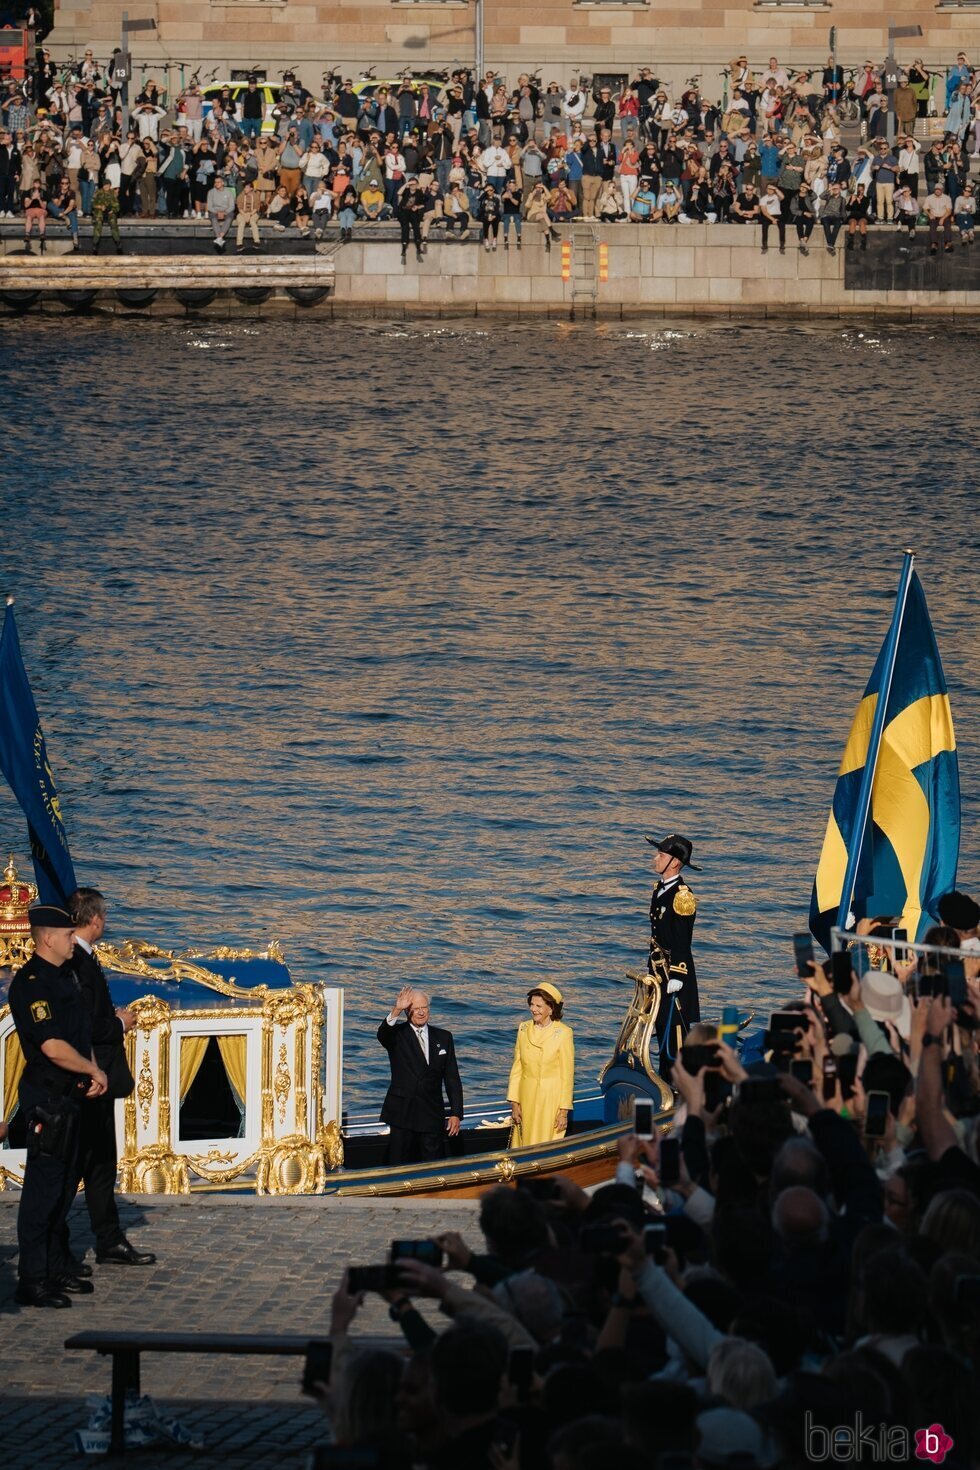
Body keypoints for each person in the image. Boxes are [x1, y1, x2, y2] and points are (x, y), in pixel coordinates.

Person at [9, 905, 108, 1308]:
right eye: (68, 935)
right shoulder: (32, 984)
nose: (74, 940)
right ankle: (32, 1278)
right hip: (48, 1098)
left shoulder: (65, 975)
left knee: (65, 1186)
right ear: (48, 938)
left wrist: (92, 1070)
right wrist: (90, 1069)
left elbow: (79, 1033)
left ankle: (54, 1264)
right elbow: (51, 1046)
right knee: (43, 1190)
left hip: (72, 1094)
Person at [66, 889, 154, 1267]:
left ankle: (108, 1237)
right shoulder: (80, 964)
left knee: (100, 1162)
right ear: (96, 920)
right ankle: (74, 1241)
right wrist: (120, 1022)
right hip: (92, 1078)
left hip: (91, 1077)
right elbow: (85, 1024)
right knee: (84, 1164)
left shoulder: (78, 960)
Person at [378, 986, 463, 1165]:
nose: (421, 1013)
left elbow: (452, 1077)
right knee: (399, 1165)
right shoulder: (397, 1034)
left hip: (431, 1113)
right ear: (408, 1011)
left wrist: (456, 1112)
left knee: (432, 1167)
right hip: (403, 1113)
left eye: (424, 1008)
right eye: (416, 1009)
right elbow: (382, 1035)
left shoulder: (444, 1037)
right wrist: (396, 1009)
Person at [646, 834, 701, 1075]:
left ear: (675, 862)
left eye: (661, 855)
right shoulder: (660, 889)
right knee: (661, 1030)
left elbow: (682, 938)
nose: (655, 858)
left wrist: (678, 973)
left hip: (674, 976)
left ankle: (678, 1088)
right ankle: (664, 1082)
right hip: (659, 974)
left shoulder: (682, 896)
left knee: (675, 1035)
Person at [507, 984, 574, 1148]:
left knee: (544, 1142)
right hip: (526, 1095)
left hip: (549, 1099)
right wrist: (515, 1103)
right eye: (531, 1004)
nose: (533, 1009)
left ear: (551, 1009)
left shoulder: (564, 1033)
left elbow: (567, 1075)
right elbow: (517, 1068)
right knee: (522, 1141)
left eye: (538, 1006)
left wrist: (563, 1111)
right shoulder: (523, 1028)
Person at [207, 172, 236, 250]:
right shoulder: (211, 192)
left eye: (218, 182)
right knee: (212, 216)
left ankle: (219, 238)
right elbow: (209, 207)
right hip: (215, 211)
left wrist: (224, 212)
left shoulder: (228, 192)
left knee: (230, 215)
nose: (217, 184)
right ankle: (220, 238)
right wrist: (217, 212)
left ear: (223, 183)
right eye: (215, 182)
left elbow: (232, 206)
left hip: (226, 211)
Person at [924, 181, 954, 255]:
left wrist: (943, 218)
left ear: (942, 190)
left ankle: (948, 243)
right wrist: (929, 214)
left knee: (947, 223)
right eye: (936, 189)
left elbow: (949, 211)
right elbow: (925, 208)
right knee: (932, 224)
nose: (937, 190)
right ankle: (934, 243)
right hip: (934, 216)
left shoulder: (947, 198)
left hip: (944, 216)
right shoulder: (929, 198)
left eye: (939, 189)